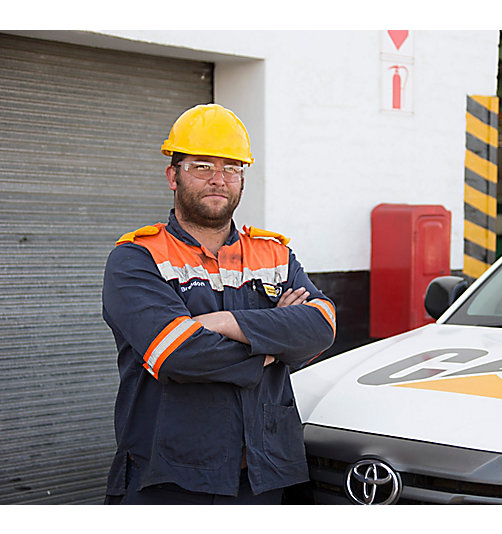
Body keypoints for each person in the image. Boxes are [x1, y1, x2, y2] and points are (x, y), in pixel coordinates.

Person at [102, 103, 336, 504]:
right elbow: (178, 352)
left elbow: (321, 325)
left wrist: (226, 321)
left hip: (263, 475)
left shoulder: (274, 253)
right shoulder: (137, 258)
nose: (218, 180)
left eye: (231, 168)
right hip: (170, 478)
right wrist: (271, 347)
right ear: (172, 176)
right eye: (202, 167)